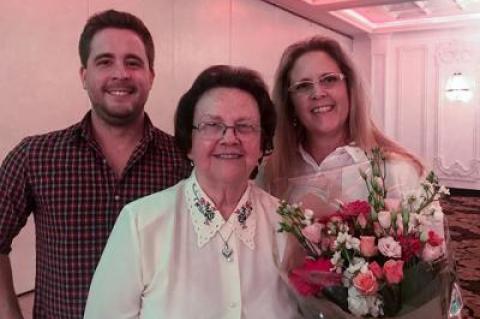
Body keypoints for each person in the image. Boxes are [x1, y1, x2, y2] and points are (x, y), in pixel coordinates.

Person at [0, 9, 191, 319]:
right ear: (84, 76)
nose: (121, 74)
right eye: (105, 62)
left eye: (133, 62)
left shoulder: (184, 161)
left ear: (151, 76)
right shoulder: (35, 157)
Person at [83, 65, 300, 318]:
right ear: (189, 144)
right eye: (211, 125)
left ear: (263, 145)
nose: (229, 138)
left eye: (244, 126)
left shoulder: (290, 224)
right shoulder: (140, 223)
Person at [262, 36, 425, 209]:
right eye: (303, 86)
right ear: (290, 102)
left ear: (350, 88)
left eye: (329, 79)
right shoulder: (271, 173)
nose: (317, 93)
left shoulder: (395, 171)